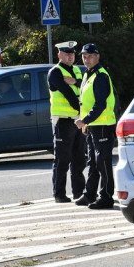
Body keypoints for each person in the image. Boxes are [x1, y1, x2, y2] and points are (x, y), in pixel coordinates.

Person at [74, 43, 117, 210]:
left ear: (97, 56)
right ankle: (90, 193)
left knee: (103, 162)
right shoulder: (88, 74)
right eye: (84, 57)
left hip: (103, 124)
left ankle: (106, 196)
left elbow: (100, 104)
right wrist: (86, 123)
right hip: (94, 125)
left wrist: (85, 120)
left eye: (90, 56)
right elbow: (86, 102)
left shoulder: (100, 76)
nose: (86, 59)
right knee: (93, 161)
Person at [48, 42, 85, 203]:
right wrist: (81, 112)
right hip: (63, 121)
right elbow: (68, 94)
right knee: (62, 159)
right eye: (66, 53)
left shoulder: (77, 71)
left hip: (78, 121)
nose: (70, 56)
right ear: (59, 55)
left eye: (72, 53)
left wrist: (76, 81)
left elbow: (84, 88)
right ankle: (59, 194)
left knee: (79, 159)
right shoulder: (55, 72)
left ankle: (78, 193)